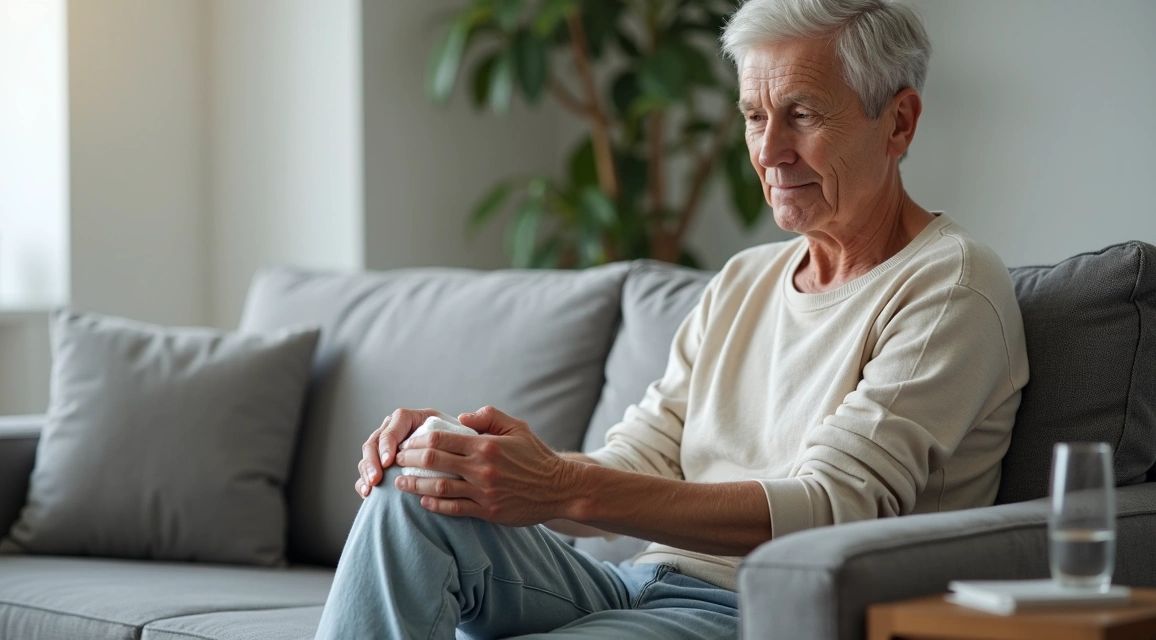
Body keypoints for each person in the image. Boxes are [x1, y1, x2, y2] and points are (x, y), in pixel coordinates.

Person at [316, 0, 1028, 637]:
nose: (769, 152)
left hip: (762, 612)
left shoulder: (950, 286)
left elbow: (830, 511)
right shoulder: (743, 281)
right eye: (755, 117)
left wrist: (560, 485)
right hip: (640, 584)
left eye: (803, 115)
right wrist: (482, 464)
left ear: (898, 122)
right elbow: (632, 465)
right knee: (415, 492)